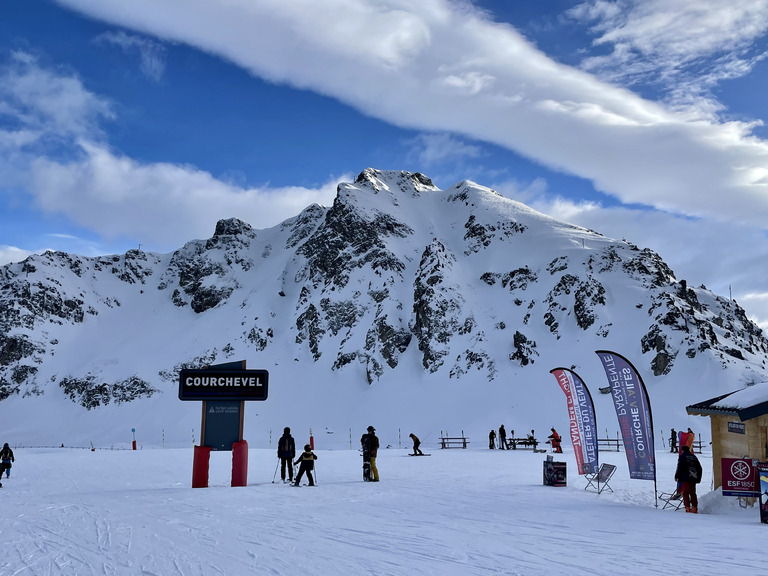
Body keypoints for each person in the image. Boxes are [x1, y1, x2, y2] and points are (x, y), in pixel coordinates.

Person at [674, 445, 702, 513]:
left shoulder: (682, 457)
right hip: (693, 477)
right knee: (693, 493)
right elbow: (699, 468)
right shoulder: (694, 457)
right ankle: (694, 508)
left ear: (683, 450)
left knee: (685, 493)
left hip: (685, 478)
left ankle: (687, 508)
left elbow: (680, 467)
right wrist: (698, 478)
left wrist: (677, 476)